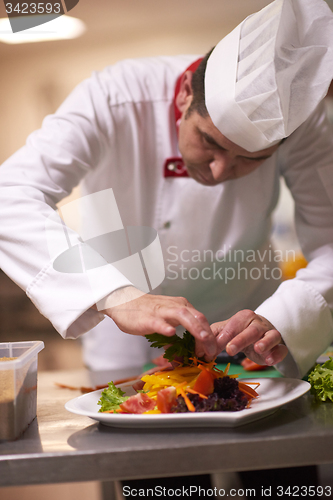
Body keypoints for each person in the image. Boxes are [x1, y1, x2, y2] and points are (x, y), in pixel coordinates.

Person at [0, 0, 333, 385]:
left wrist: (284, 314)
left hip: (247, 326)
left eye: (250, 159)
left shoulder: (306, 126)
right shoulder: (112, 97)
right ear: (184, 97)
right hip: (121, 330)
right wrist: (115, 295)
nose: (220, 170)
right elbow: (10, 195)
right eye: (210, 141)